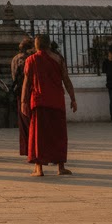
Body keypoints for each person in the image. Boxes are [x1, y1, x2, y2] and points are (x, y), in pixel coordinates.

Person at [21, 33, 76, 177]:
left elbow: (26, 83)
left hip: (39, 101)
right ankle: (60, 167)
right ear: (49, 44)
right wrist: (73, 98)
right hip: (57, 101)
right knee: (58, 135)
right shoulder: (58, 59)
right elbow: (66, 79)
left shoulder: (31, 60)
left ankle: (39, 168)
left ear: (36, 45)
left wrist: (23, 102)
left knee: (39, 136)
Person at [10, 36, 34, 157]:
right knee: (31, 121)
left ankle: (26, 148)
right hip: (28, 91)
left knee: (23, 121)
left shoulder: (15, 58)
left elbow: (14, 76)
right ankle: (33, 147)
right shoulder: (28, 59)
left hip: (19, 91)